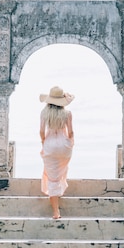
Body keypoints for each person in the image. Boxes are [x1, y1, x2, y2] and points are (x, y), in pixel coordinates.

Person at [39, 86, 75, 219]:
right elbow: (70, 132)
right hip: (64, 145)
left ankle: (56, 212)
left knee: (52, 177)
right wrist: (71, 142)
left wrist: (44, 142)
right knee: (62, 168)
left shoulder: (44, 113)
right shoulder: (67, 113)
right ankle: (60, 190)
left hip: (50, 144)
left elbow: (42, 132)